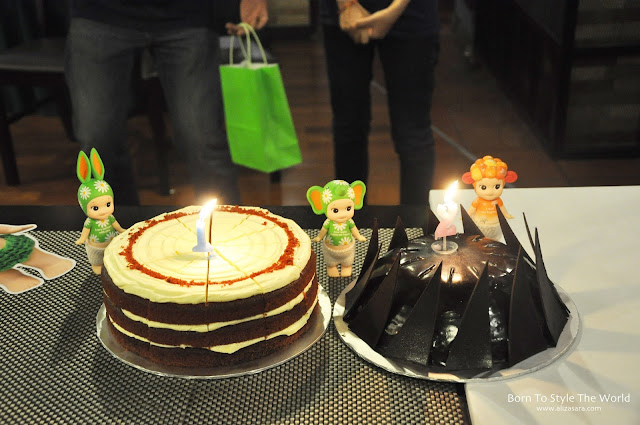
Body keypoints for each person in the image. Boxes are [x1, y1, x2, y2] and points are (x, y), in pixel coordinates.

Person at [65, 0, 268, 206]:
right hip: (98, 13)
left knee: (202, 138)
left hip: (188, 14)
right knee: (98, 138)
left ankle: (224, 223)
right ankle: (113, 223)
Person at [319, 0, 439, 205]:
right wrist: (346, 5)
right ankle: (347, 220)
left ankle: (415, 224)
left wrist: (396, 9)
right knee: (349, 126)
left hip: (412, 12)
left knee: (413, 134)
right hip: (345, 14)